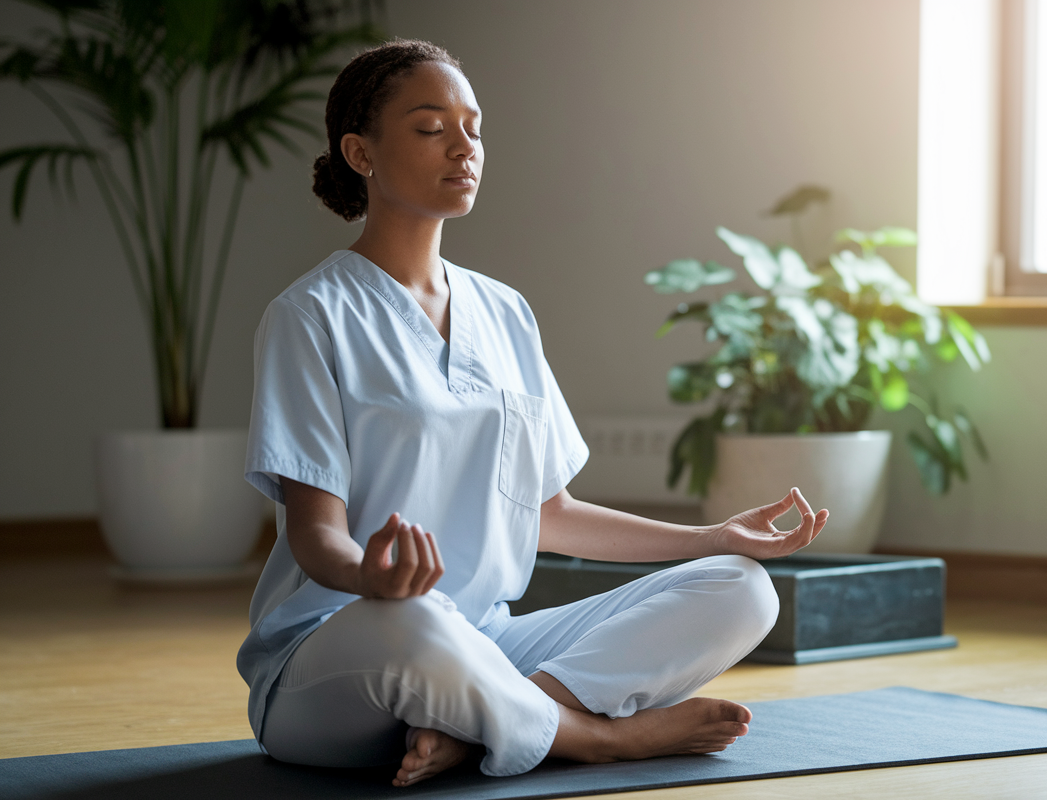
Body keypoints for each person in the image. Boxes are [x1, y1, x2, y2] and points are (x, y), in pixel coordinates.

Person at [237, 38, 830, 789]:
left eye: (474, 128)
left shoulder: (505, 311)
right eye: (430, 128)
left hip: (484, 649)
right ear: (361, 153)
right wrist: (374, 580)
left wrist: (712, 535)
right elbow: (316, 537)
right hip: (347, 654)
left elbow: (550, 513)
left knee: (741, 586)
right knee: (419, 621)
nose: (464, 147)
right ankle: (598, 739)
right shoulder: (310, 315)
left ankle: (484, 727)